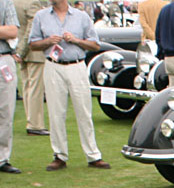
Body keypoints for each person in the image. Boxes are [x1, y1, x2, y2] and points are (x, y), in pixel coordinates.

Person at [28, 0, 108, 170]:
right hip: (53, 65)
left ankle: (93, 155)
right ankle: (59, 155)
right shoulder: (41, 16)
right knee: (56, 112)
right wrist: (48, 41)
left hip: (77, 65)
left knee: (84, 111)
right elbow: (33, 44)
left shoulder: (81, 16)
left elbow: (95, 44)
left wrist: (76, 40)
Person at [14, 0, 47, 137]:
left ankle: (32, 121)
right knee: (35, 89)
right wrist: (21, 51)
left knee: (27, 87)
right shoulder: (33, 3)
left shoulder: (14, 3)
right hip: (33, 51)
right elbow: (31, 30)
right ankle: (35, 124)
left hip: (20, 48)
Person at [0, 0, 19, 173]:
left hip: (3, 59)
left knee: (6, 111)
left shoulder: (5, 2)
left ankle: (2, 158)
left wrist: (5, 31)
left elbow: (13, 31)